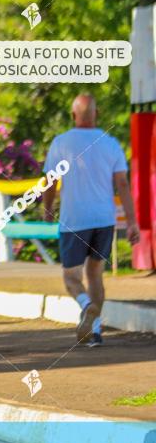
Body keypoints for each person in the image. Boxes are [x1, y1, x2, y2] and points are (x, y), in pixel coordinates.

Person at [42, 94, 140, 347]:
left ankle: (87, 306)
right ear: (96, 115)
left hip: (74, 219)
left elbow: (50, 182)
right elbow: (122, 184)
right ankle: (94, 332)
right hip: (104, 219)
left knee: (71, 278)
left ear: (73, 116)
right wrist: (131, 222)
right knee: (95, 274)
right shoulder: (111, 144)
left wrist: (48, 208)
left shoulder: (60, 143)